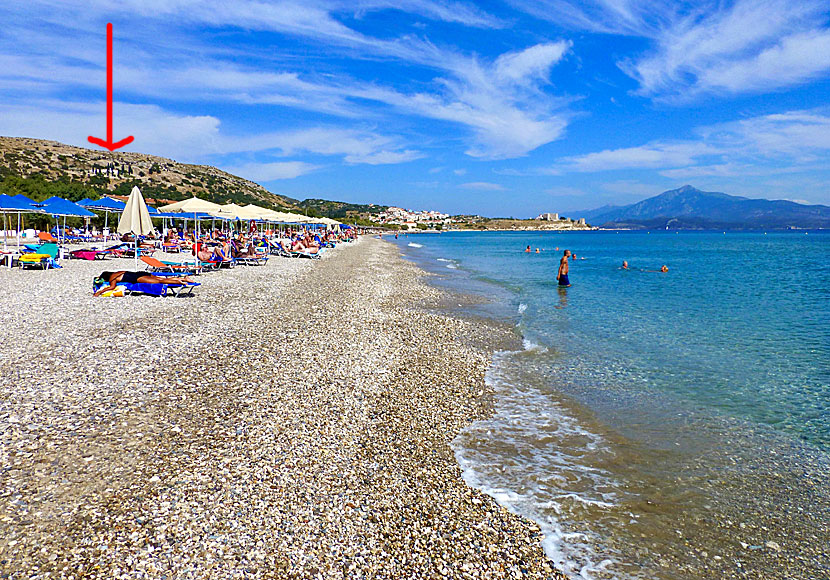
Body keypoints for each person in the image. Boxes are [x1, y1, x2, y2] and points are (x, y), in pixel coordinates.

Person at [93, 271, 195, 297]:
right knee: (160, 278)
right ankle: (183, 278)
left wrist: (100, 292)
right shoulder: (118, 272)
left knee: (160, 281)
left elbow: (112, 287)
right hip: (140, 273)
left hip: (139, 278)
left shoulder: (112, 277)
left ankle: (179, 281)